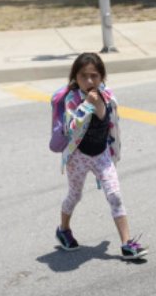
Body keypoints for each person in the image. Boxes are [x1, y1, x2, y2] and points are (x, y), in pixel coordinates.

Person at [56, 52, 148, 260]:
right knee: (75, 195)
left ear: (102, 77)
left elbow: (112, 123)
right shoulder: (72, 100)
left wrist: (114, 150)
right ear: (75, 78)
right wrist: (87, 104)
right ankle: (63, 229)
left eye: (94, 76)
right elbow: (71, 128)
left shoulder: (108, 96)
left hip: (102, 154)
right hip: (78, 156)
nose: (89, 81)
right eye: (83, 76)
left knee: (114, 195)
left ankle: (126, 244)